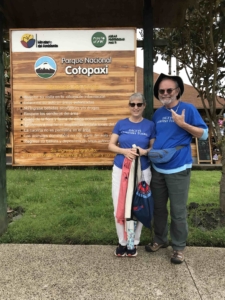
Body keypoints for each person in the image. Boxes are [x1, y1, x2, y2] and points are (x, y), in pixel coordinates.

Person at [145, 73, 208, 264]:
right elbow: (155, 136)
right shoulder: (158, 113)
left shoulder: (187, 109)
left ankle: (179, 247)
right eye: (161, 91)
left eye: (169, 90)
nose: (165, 93)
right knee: (158, 208)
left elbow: (203, 134)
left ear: (177, 90)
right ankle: (160, 240)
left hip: (179, 168)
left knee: (178, 210)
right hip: (158, 168)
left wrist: (183, 124)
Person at [108, 92, 155, 257]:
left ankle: (133, 243)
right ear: (129, 106)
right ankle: (122, 242)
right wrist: (124, 151)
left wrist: (144, 151)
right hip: (121, 170)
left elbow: (152, 149)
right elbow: (111, 145)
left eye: (139, 104)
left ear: (144, 106)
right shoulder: (121, 124)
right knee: (119, 205)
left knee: (138, 206)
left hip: (142, 171)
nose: (135, 107)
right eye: (132, 104)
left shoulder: (150, 125)